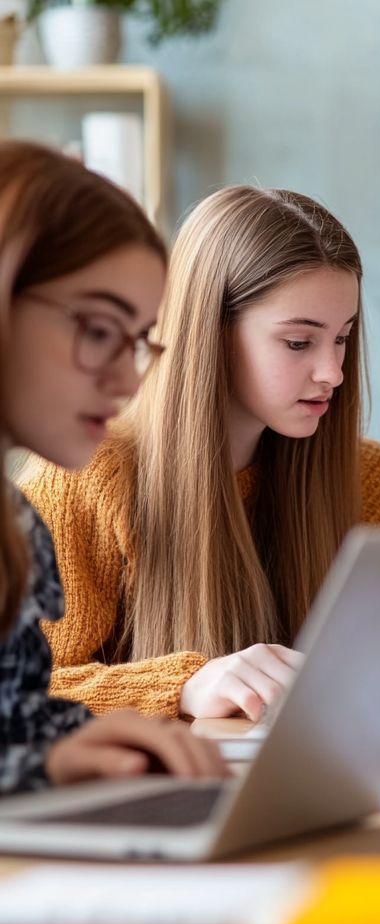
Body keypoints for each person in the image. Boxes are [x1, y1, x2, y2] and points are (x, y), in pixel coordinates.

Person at [21, 185, 380, 721]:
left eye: (342, 337)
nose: (334, 373)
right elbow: (24, 688)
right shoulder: (83, 472)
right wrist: (182, 686)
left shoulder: (372, 480)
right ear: (210, 332)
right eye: (299, 343)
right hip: (164, 797)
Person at [0, 140, 225, 788]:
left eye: (136, 343)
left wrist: (87, 735)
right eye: (99, 329)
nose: (128, 381)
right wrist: (45, 767)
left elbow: (15, 723)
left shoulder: (13, 524)